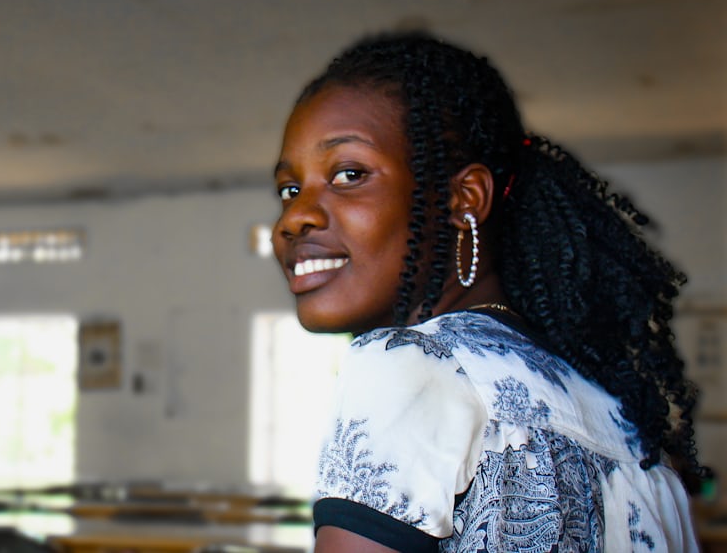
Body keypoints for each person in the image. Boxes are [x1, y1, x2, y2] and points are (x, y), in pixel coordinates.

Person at [270, 31, 710, 551]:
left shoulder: (411, 365)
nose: (294, 218)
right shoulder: (619, 417)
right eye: (290, 189)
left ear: (464, 198)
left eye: (349, 173)